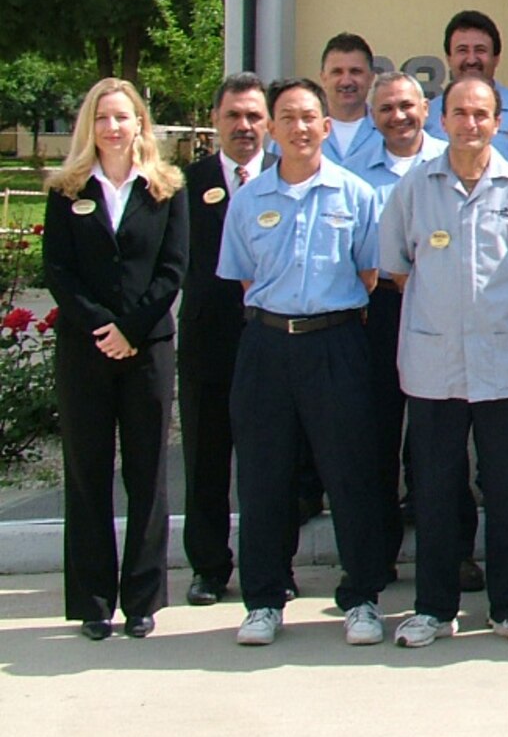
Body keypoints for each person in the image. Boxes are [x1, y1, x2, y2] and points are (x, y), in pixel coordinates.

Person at [379, 75, 508, 647]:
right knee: (435, 489)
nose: (470, 123)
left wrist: (491, 317)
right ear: (441, 119)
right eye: (459, 113)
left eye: (481, 114)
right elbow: (399, 270)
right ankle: (434, 606)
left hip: (504, 365)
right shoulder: (414, 187)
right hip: (434, 365)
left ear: (498, 122)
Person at [219, 78, 387, 647]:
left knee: (351, 474)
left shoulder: (355, 194)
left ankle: (361, 597)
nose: (299, 127)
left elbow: (369, 273)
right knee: (265, 476)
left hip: (337, 343)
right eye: (286, 116)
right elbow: (246, 278)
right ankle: (264, 599)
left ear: (325, 126)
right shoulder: (249, 200)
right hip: (267, 345)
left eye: (308, 117)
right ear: (271, 126)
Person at [44, 79, 189, 639]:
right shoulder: (66, 191)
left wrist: (130, 329)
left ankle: (143, 599)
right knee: (86, 473)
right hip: (84, 351)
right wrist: (101, 328)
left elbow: (173, 269)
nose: (112, 127)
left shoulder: (167, 189)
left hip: (147, 349)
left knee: (147, 472)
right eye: (102, 117)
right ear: (90, 126)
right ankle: (93, 601)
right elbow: (58, 271)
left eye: (122, 117)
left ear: (139, 125)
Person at [351, 71, 450, 586]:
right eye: (386, 108)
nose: (398, 115)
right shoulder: (350, 172)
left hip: (441, 308)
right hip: (380, 309)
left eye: (407, 105)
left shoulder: (451, 164)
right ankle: (378, 554)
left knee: (439, 441)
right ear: (373, 116)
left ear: (426, 109)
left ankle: (454, 554)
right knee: (376, 439)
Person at [177, 73, 269, 606]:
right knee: (206, 461)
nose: (244, 127)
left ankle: (270, 566)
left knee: (267, 462)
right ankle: (208, 568)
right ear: (215, 120)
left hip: (270, 341)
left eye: (254, 116)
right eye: (234, 116)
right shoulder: (185, 184)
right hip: (208, 342)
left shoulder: (288, 176)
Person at [423, 10, 508, 172]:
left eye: (480, 50)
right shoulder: (429, 116)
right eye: (462, 50)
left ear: (496, 58)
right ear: (449, 58)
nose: (471, 60)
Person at [319, 33, 383, 173]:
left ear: (371, 78)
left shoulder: (388, 132)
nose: (346, 81)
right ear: (323, 78)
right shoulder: (296, 135)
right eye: (337, 72)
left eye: (355, 72)